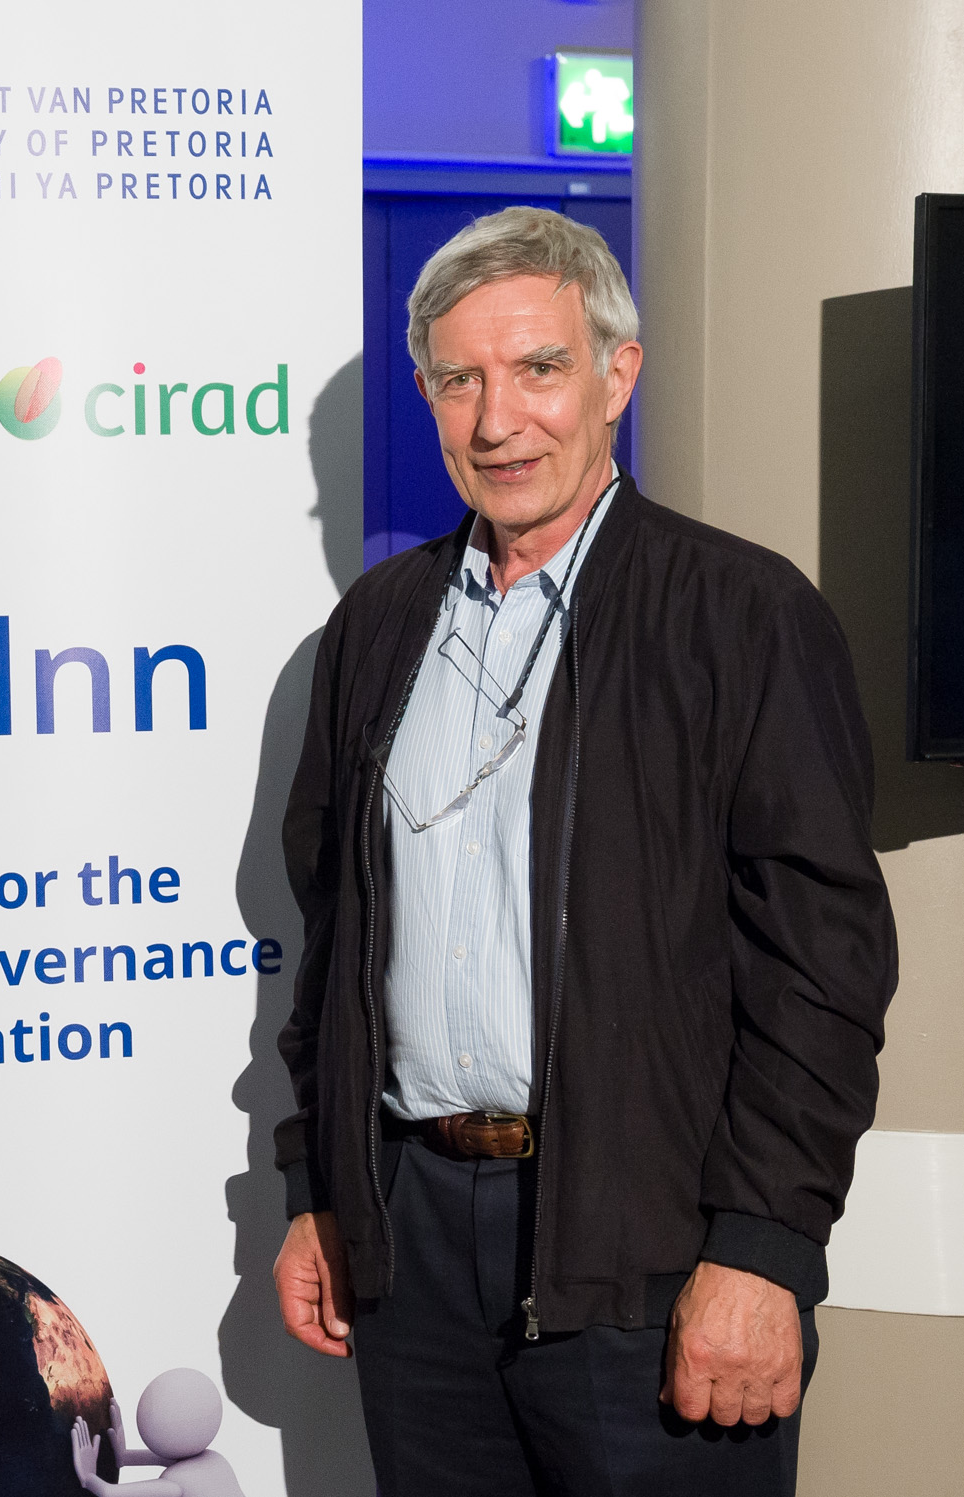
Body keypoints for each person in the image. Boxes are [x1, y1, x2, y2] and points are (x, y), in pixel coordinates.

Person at [271, 207, 896, 1495]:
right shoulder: (378, 629)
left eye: (539, 369)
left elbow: (822, 971)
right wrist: (318, 1188)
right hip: (414, 1251)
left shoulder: (741, 614)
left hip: (651, 1251)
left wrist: (764, 1249)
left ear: (618, 375)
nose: (498, 419)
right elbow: (333, 941)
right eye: (459, 381)